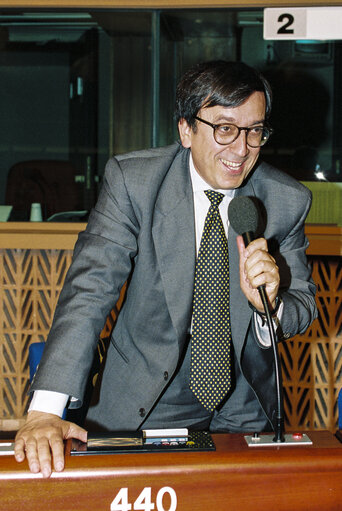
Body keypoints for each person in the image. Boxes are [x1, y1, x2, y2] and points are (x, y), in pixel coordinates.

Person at [14, 60, 317, 478]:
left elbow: (303, 306)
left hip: (244, 402)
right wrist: (45, 411)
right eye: (225, 129)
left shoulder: (287, 200)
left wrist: (270, 305)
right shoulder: (134, 182)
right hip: (148, 394)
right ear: (186, 130)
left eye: (254, 131)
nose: (241, 149)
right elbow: (90, 291)